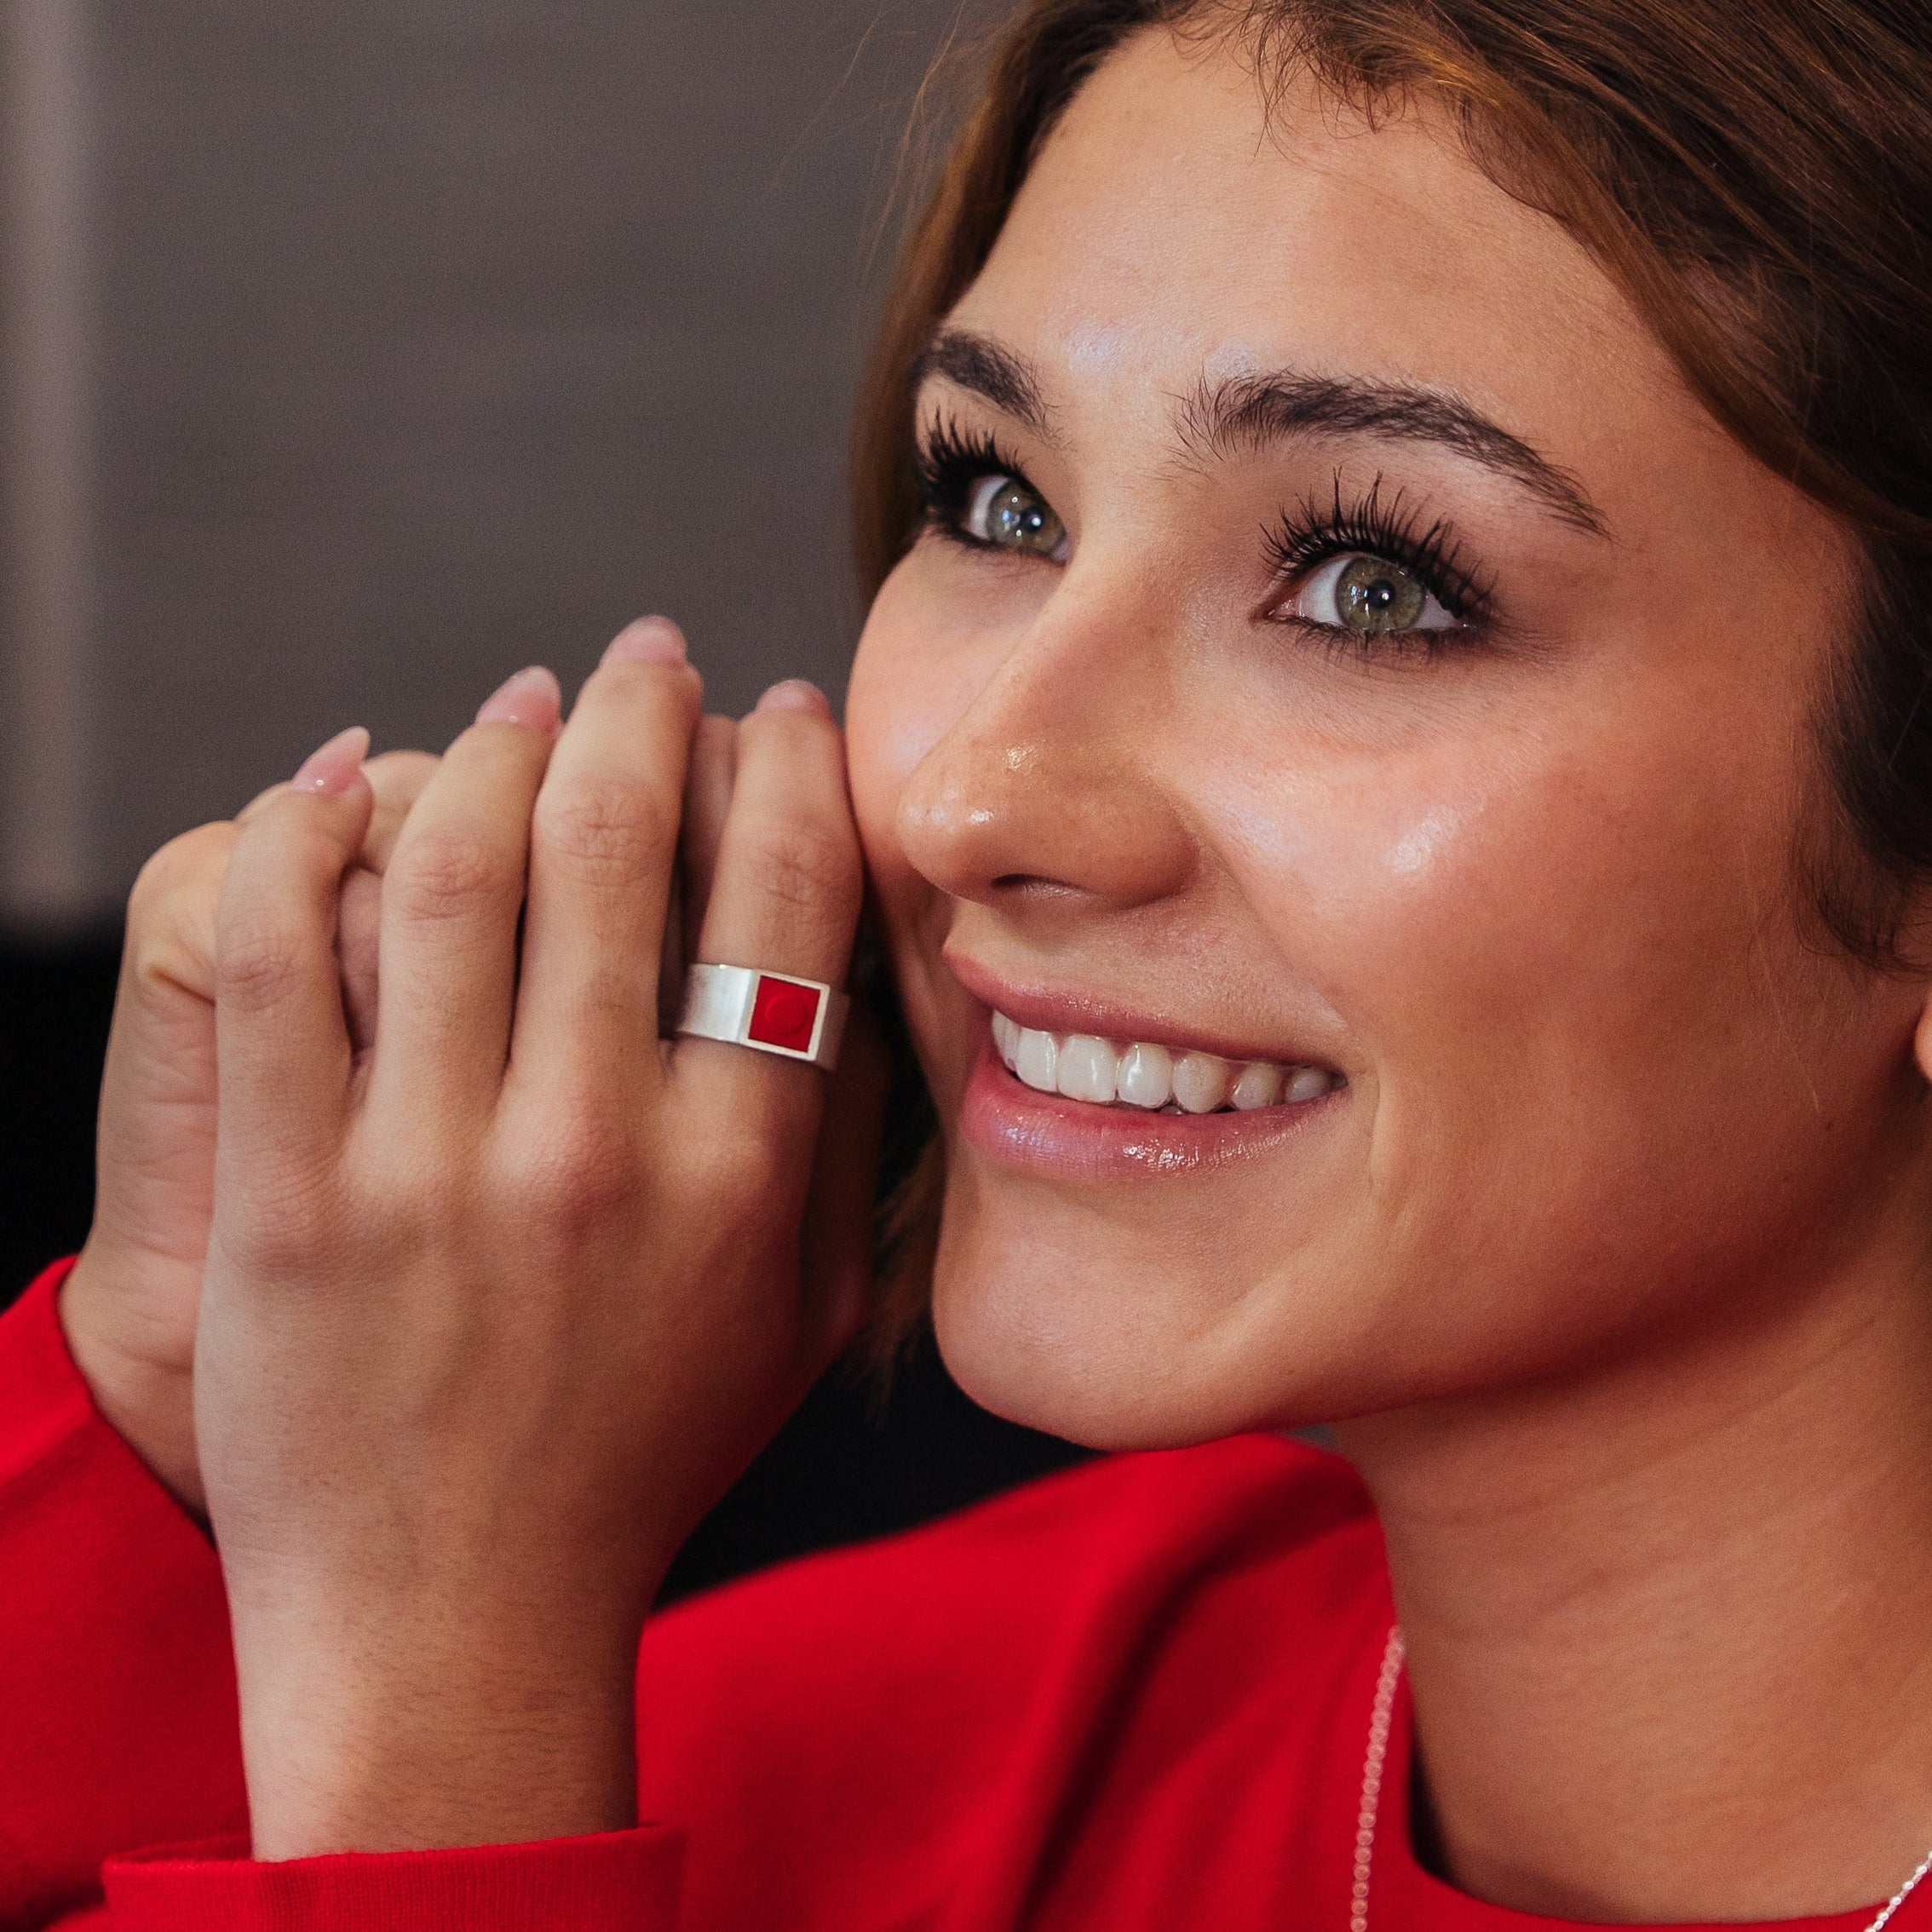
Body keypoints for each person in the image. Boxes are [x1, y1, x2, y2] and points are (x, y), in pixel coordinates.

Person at [6, 0, 1932, 1923]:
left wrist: (428, 1787)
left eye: (1374, 588)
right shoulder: (788, 1757)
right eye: (999, 502)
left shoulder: (485, 1723)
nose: (969, 802)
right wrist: (167, 1438)